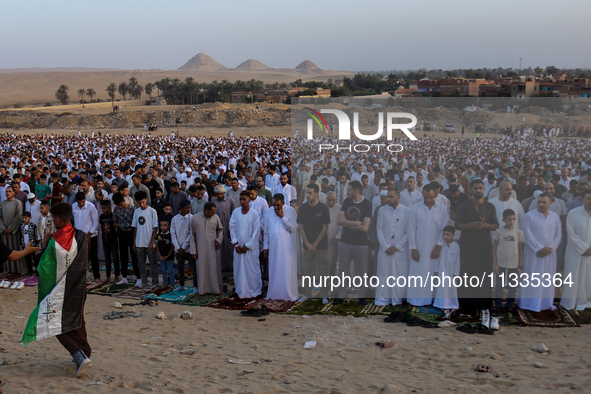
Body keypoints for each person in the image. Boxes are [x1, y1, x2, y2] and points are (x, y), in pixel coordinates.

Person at [22, 202, 92, 378]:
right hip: (79, 287)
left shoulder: (54, 241)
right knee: (77, 320)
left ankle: (79, 356)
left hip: (61, 290)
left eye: (53, 219)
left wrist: (45, 245)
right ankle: (85, 351)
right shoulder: (83, 236)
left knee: (53, 323)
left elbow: (44, 268)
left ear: (58, 220)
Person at [455, 180, 498, 325]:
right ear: (471, 190)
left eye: (480, 188)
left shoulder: (490, 206)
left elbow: (495, 225)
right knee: (467, 273)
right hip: (468, 245)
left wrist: (485, 225)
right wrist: (470, 225)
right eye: (475, 188)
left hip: (484, 245)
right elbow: (458, 225)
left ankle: (483, 303)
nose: (478, 190)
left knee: (484, 273)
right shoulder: (464, 206)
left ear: (484, 189)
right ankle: (467, 303)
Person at [518, 193, 562, 312]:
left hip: (550, 255)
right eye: (539, 202)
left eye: (544, 202)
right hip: (534, 254)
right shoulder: (529, 216)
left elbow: (558, 235)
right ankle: (528, 303)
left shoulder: (554, 217)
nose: (541, 204)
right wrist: (539, 248)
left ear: (550, 203)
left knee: (547, 278)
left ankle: (545, 304)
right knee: (533, 278)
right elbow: (528, 234)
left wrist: (550, 248)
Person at [408, 183, 449, 306]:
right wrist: (413, 248)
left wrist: (438, 246)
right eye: (426, 197)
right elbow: (411, 229)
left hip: (436, 247)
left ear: (435, 195)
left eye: (431, 197)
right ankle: (416, 300)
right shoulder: (416, 208)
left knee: (434, 274)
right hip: (419, 247)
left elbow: (444, 228)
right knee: (418, 274)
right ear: (422, 195)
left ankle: (433, 300)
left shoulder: (442, 208)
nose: (428, 200)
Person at [335, 180, 372, 305]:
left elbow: (365, 228)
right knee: (343, 271)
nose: (347, 192)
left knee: (362, 271)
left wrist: (347, 224)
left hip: (361, 244)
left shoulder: (367, 204)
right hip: (345, 241)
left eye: (349, 190)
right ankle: (341, 295)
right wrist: (356, 223)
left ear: (356, 191)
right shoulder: (346, 202)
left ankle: (361, 296)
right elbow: (339, 221)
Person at [375, 188, 410, 306]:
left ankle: (397, 300)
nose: (388, 199)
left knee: (399, 275)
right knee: (383, 273)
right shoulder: (382, 210)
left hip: (399, 251)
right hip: (385, 249)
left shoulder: (407, 211)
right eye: (387, 197)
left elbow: (408, 232)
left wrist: (397, 247)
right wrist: (385, 246)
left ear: (398, 197)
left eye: (391, 197)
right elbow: (379, 229)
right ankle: (382, 299)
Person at [560, 189, 591, 310]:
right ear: (582, 199)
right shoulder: (573, 213)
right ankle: (570, 304)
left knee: (588, 277)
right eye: (588, 198)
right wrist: (584, 248)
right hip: (575, 253)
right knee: (572, 278)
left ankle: (586, 302)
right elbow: (571, 233)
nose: (590, 201)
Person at [298, 184, 330, 298]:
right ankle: (307, 293)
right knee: (307, 271)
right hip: (307, 245)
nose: (307, 195)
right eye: (307, 192)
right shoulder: (303, 208)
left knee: (323, 271)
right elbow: (301, 227)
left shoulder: (323, 208)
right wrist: (307, 243)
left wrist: (315, 243)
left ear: (317, 194)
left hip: (321, 246)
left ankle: (324, 295)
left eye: (310, 193)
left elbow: (325, 227)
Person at [264, 193, 297, 301]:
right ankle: (274, 294)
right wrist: (266, 247)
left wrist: (282, 217)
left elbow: (293, 229)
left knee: (286, 269)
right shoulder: (269, 211)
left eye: (278, 205)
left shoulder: (290, 210)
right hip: (273, 247)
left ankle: (287, 294)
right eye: (274, 205)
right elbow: (266, 231)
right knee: (274, 269)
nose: (276, 208)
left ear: (283, 203)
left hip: (286, 247)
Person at [229, 191, 261, 298]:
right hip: (238, 248)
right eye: (241, 199)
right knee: (239, 269)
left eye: (244, 199)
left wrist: (247, 245)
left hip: (250, 249)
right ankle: (240, 290)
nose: (242, 202)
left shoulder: (254, 213)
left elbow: (256, 232)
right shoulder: (236, 212)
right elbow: (232, 227)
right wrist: (236, 244)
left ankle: (254, 291)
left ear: (249, 200)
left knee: (252, 269)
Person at [492, 209, 524, 310]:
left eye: (514, 219)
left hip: (514, 263)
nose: (512, 221)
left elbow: (520, 249)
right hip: (501, 262)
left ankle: (510, 304)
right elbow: (494, 248)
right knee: (499, 285)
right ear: (503, 220)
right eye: (509, 219)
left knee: (512, 285)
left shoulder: (519, 232)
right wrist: (495, 264)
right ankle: (498, 304)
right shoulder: (499, 231)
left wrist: (519, 265)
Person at [190, 202, 224, 295]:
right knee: (202, 268)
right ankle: (203, 290)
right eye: (212, 212)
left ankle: (216, 290)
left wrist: (219, 240)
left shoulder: (216, 218)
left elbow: (220, 230)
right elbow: (192, 235)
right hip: (200, 249)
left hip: (213, 248)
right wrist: (193, 250)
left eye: (214, 212)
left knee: (214, 268)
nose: (213, 214)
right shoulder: (195, 218)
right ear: (205, 211)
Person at [132, 191, 159, 288]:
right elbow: (135, 227)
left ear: (146, 200)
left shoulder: (152, 211)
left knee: (153, 264)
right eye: (139, 203)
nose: (141, 204)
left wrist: (152, 242)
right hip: (139, 242)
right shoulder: (136, 211)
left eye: (143, 202)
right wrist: (134, 242)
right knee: (141, 264)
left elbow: (155, 227)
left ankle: (155, 282)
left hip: (149, 242)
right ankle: (144, 282)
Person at [72, 192, 100, 282]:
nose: (80, 204)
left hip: (90, 235)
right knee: (78, 257)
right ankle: (80, 277)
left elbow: (95, 221)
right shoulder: (73, 207)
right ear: (76, 201)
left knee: (93, 256)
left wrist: (89, 234)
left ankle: (97, 277)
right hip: (78, 236)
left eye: (82, 202)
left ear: (85, 199)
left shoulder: (91, 206)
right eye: (79, 202)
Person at [433, 226, 461, 314]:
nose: (445, 236)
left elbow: (457, 260)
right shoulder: (442, 246)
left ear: (453, 235)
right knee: (442, 288)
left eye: (448, 234)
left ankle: (452, 304)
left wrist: (456, 273)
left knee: (451, 288)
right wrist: (436, 270)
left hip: (451, 271)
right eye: (444, 234)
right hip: (442, 270)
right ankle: (441, 305)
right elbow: (438, 259)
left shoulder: (456, 246)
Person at [112, 192, 139, 284]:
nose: (120, 207)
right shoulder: (116, 209)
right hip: (122, 233)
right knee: (123, 255)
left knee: (133, 255)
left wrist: (128, 226)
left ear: (124, 201)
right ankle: (124, 277)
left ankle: (138, 277)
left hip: (131, 233)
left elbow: (135, 224)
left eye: (121, 204)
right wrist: (122, 225)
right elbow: (114, 222)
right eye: (118, 205)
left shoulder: (132, 209)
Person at [171, 200, 196, 291]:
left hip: (189, 248)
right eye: (186, 208)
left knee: (193, 266)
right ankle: (181, 284)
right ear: (181, 209)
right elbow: (173, 234)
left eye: (189, 207)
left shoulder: (192, 218)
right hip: (178, 248)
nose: (189, 209)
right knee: (180, 266)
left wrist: (184, 247)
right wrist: (178, 247)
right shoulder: (175, 219)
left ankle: (195, 285)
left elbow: (191, 234)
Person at [0, 186, 24, 273]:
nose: (8, 193)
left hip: (14, 232)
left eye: (9, 191)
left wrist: (10, 229)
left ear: (13, 192)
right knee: (5, 250)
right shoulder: (2, 203)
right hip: (4, 231)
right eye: (6, 191)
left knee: (15, 248)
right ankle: (7, 269)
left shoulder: (18, 203)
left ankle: (17, 270)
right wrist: (3, 228)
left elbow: (18, 217)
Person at [212, 184, 235, 272]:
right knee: (218, 247)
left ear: (224, 193)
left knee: (228, 247)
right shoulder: (213, 201)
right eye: (218, 194)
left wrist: (231, 228)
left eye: (221, 194)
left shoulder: (230, 201)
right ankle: (220, 267)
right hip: (216, 227)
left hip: (227, 227)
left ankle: (230, 267)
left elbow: (233, 216)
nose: (220, 196)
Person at [99, 200, 119, 283]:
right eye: (102, 208)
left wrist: (115, 236)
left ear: (109, 207)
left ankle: (116, 276)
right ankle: (108, 276)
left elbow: (116, 226)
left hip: (113, 240)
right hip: (105, 240)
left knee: (115, 258)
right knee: (107, 259)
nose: (103, 210)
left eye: (105, 208)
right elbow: (101, 228)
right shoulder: (101, 217)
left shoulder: (112, 216)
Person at [21, 211, 40, 276]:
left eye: (25, 218)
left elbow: (35, 235)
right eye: (23, 218)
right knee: (27, 259)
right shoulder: (22, 226)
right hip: (25, 245)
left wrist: (36, 245)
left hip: (32, 245)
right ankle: (29, 271)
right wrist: (21, 245)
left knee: (35, 259)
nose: (24, 220)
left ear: (30, 218)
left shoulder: (33, 226)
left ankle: (37, 272)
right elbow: (21, 236)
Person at [156, 219, 175, 287]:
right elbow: (157, 246)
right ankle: (165, 283)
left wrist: (167, 256)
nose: (162, 227)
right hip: (161, 257)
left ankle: (172, 284)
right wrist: (160, 256)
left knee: (170, 270)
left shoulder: (170, 235)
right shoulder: (159, 235)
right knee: (163, 270)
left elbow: (172, 247)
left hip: (169, 257)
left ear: (168, 226)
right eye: (161, 225)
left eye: (164, 225)